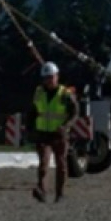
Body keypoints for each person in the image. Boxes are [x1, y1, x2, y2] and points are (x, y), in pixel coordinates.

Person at [29, 62, 78, 202]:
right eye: (46, 78)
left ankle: (60, 194)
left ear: (57, 77)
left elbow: (75, 112)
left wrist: (66, 126)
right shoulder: (38, 92)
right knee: (43, 163)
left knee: (61, 164)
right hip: (43, 133)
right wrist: (30, 128)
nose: (49, 80)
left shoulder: (65, 94)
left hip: (59, 134)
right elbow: (33, 111)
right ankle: (41, 191)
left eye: (51, 77)